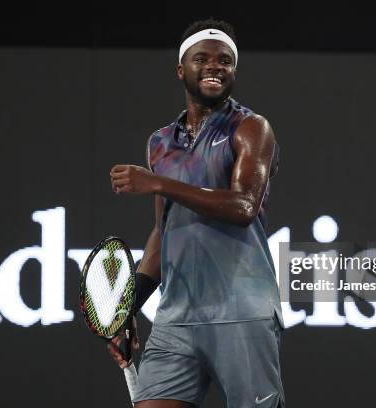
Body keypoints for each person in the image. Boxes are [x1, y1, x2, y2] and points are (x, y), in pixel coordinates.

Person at [108, 18, 285, 408]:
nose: (214, 66)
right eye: (202, 58)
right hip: (175, 319)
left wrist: (159, 183)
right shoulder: (160, 143)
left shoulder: (252, 128)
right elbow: (163, 230)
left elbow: (243, 206)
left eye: (224, 61)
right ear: (181, 69)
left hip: (241, 314)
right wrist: (127, 308)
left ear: (234, 71)